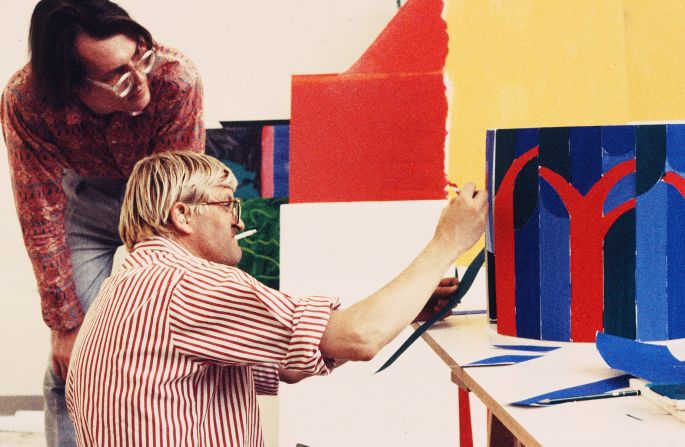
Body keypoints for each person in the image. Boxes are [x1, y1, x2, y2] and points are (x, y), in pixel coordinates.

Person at [65, 151, 487, 446]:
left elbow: (289, 360)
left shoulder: (125, 287)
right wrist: (446, 243)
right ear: (182, 215)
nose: (239, 219)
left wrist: (409, 305)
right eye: (228, 203)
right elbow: (358, 336)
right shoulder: (187, 284)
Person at [0, 1, 205, 445]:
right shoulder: (24, 99)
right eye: (119, 76)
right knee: (73, 360)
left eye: (141, 56)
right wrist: (66, 326)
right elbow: (39, 207)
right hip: (85, 201)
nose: (142, 81)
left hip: (164, 202)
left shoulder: (176, 78)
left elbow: (175, 197)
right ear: (69, 86)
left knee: (162, 343)